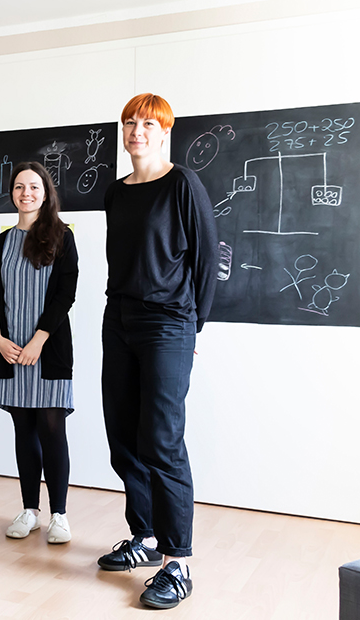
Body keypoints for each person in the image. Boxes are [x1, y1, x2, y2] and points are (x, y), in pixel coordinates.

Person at [97, 94, 218, 609]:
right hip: (118, 320)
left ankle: (177, 561)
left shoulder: (183, 184)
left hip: (169, 325)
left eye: (148, 123)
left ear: (165, 131)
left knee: (162, 441)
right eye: (130, 122)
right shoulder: (116, 193)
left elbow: (207, 259)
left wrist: (194, 327)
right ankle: (144, 537)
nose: (137, 131)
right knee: (124, 437)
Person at [0, 162, 78, 545]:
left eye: (34, 186)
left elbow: (65, 295)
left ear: (46, 192)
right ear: (12, 192)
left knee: (52, 430)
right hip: (10, 351)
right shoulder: (1, 242)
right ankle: (29, 510)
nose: (26, 193)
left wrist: (39, 340)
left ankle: (60, 515)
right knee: (24, 430)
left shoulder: (62, 235)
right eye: (19, 186)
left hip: (48, 350)